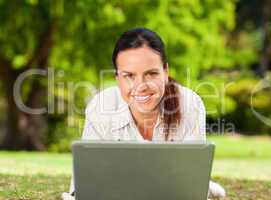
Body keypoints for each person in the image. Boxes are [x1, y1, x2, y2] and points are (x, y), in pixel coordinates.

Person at [62, 28, 225, 200]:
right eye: (129, 75)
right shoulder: (100, 107)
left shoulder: (190, 104)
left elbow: (191, 186)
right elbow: (84, 187)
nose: (140, 85)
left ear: (166, 73)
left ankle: (208, 186)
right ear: (118, 78)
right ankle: (210, 187)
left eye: (151, 73)